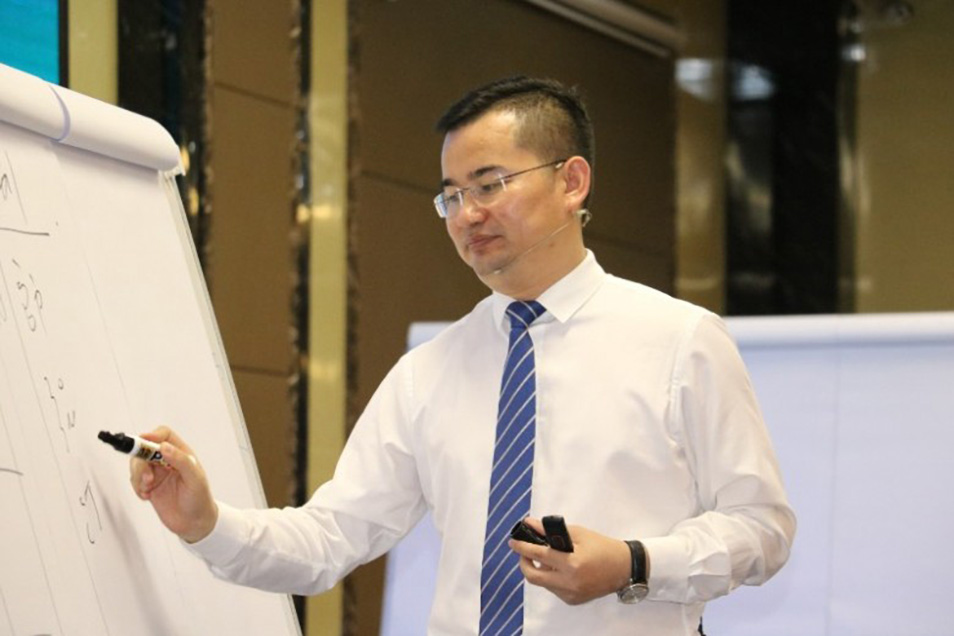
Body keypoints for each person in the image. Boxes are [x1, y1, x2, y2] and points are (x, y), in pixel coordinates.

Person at [132, 76, 795, 635]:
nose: (466, 214)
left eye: (489, 184)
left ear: (572, 182)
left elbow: (762, 528)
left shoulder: (680, 339)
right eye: (451, 195)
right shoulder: (429, 370)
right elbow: (331, 538)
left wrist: (634, 562)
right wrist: (207, 523)